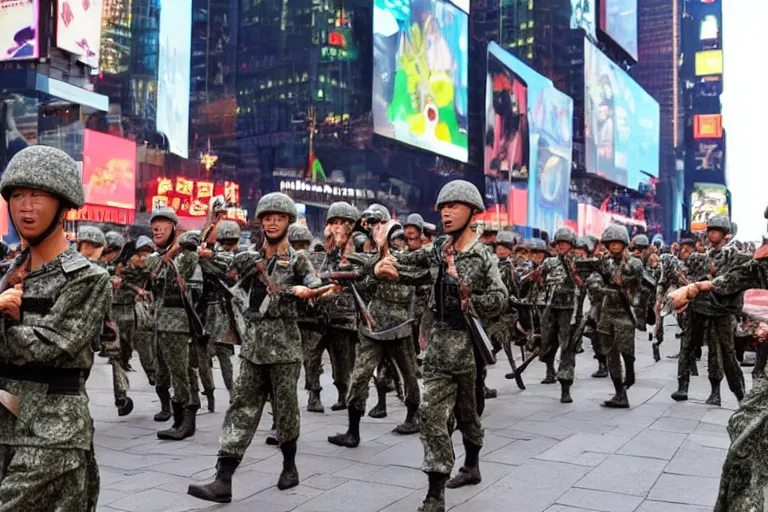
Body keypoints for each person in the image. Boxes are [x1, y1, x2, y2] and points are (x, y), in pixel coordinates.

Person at [371, 180, 508, 512]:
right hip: (437, 347)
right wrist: (382, 260)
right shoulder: (438, 249)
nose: (447, 213)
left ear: (472, 212)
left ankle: (472, 464)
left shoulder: (482, 255)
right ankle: (435, 492)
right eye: (444, 208)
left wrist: (470, 299)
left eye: (455, 207)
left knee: (468, 412)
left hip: (468, 346)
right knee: (431, 414)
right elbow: (408, 264)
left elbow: (500, 298)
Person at [187, 193, 322, 503]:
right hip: (253, 347)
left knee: (286, 411)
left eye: (279, 217)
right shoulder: (249, 256)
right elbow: (218, 262)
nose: (273, 222)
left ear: (288, 222)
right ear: (261, 221)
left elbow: (315, 284)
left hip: (285, 348)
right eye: (268, 217)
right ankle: (223, 480)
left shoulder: (298, 258)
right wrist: (210, 227)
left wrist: (309, 291)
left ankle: (289, 465)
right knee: (241, 408)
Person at [0, 145, 112, 510]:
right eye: (17, 195)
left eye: (38, 196)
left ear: (62, 206)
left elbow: (50, 346)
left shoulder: (88, 279)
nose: (25, 206)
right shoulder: (10, 275)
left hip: (52, 430)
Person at [675, 215, 747, 405]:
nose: (711, 234)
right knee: (687, 344)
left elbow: (735, 280)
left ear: (724, 234)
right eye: (710, 230)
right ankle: (682, 386)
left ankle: (726, 392)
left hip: (720, 310)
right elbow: (685, 274)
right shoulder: (701, 257)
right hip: (698, 306)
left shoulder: (733, 255)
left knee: (722, 352)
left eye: (716, 231)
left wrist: (712, 278)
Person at [145, 208, 202, 440]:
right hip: (160, 325)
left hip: (177, 324)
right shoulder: (152, 258)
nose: (157, 228)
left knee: (181, 372)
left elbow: (189, 262)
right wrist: (174, 251)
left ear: (173, 229)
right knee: (169, 371)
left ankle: (184, 421)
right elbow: (154, 271)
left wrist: (186, 245)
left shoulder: (185, 256)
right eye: (154, 224)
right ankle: (179, 419)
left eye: (163, 224)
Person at [77, 226, 133, 417]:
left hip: (97, 324)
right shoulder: (102, 270)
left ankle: (121, 396)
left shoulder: (74, 266)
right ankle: (120, 395)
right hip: (94, 325)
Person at [538, 226, 580, 403]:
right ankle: (550, 370)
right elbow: (540, 279)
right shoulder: (549, 263)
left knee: (567, 347)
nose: (561, 246)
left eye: (565, 243)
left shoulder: (577, 263)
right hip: (550, 306)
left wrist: (573, 269)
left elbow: (581, 283)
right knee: (547, 341)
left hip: (569, 309)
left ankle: (565, 386)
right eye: (559, 243)